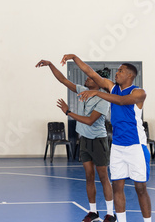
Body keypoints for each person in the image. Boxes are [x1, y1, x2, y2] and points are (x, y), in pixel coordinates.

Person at [60, 54, 152, 222]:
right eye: (117, 71)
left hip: (136, 147)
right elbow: (90, 72)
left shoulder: (139, 92)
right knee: (117, 186)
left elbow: (122, 101)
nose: (116, 73)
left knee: (140, 188)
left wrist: (96, 93)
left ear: (130, 75)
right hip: (117, 146)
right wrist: (74, 57)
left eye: (121, 71)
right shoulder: (112, 87)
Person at [36, 60, 115, 222]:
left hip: (98, 141)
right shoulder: (82, 90)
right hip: (84, 140)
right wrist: (50, 64)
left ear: (97, 82)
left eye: (90, 78)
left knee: (103, 177)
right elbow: (63, 80)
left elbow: (89, 121)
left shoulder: (104, 99)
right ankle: (93, 212)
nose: (87, 78)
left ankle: (110, 214)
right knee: (88, 176)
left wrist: (68, 112)